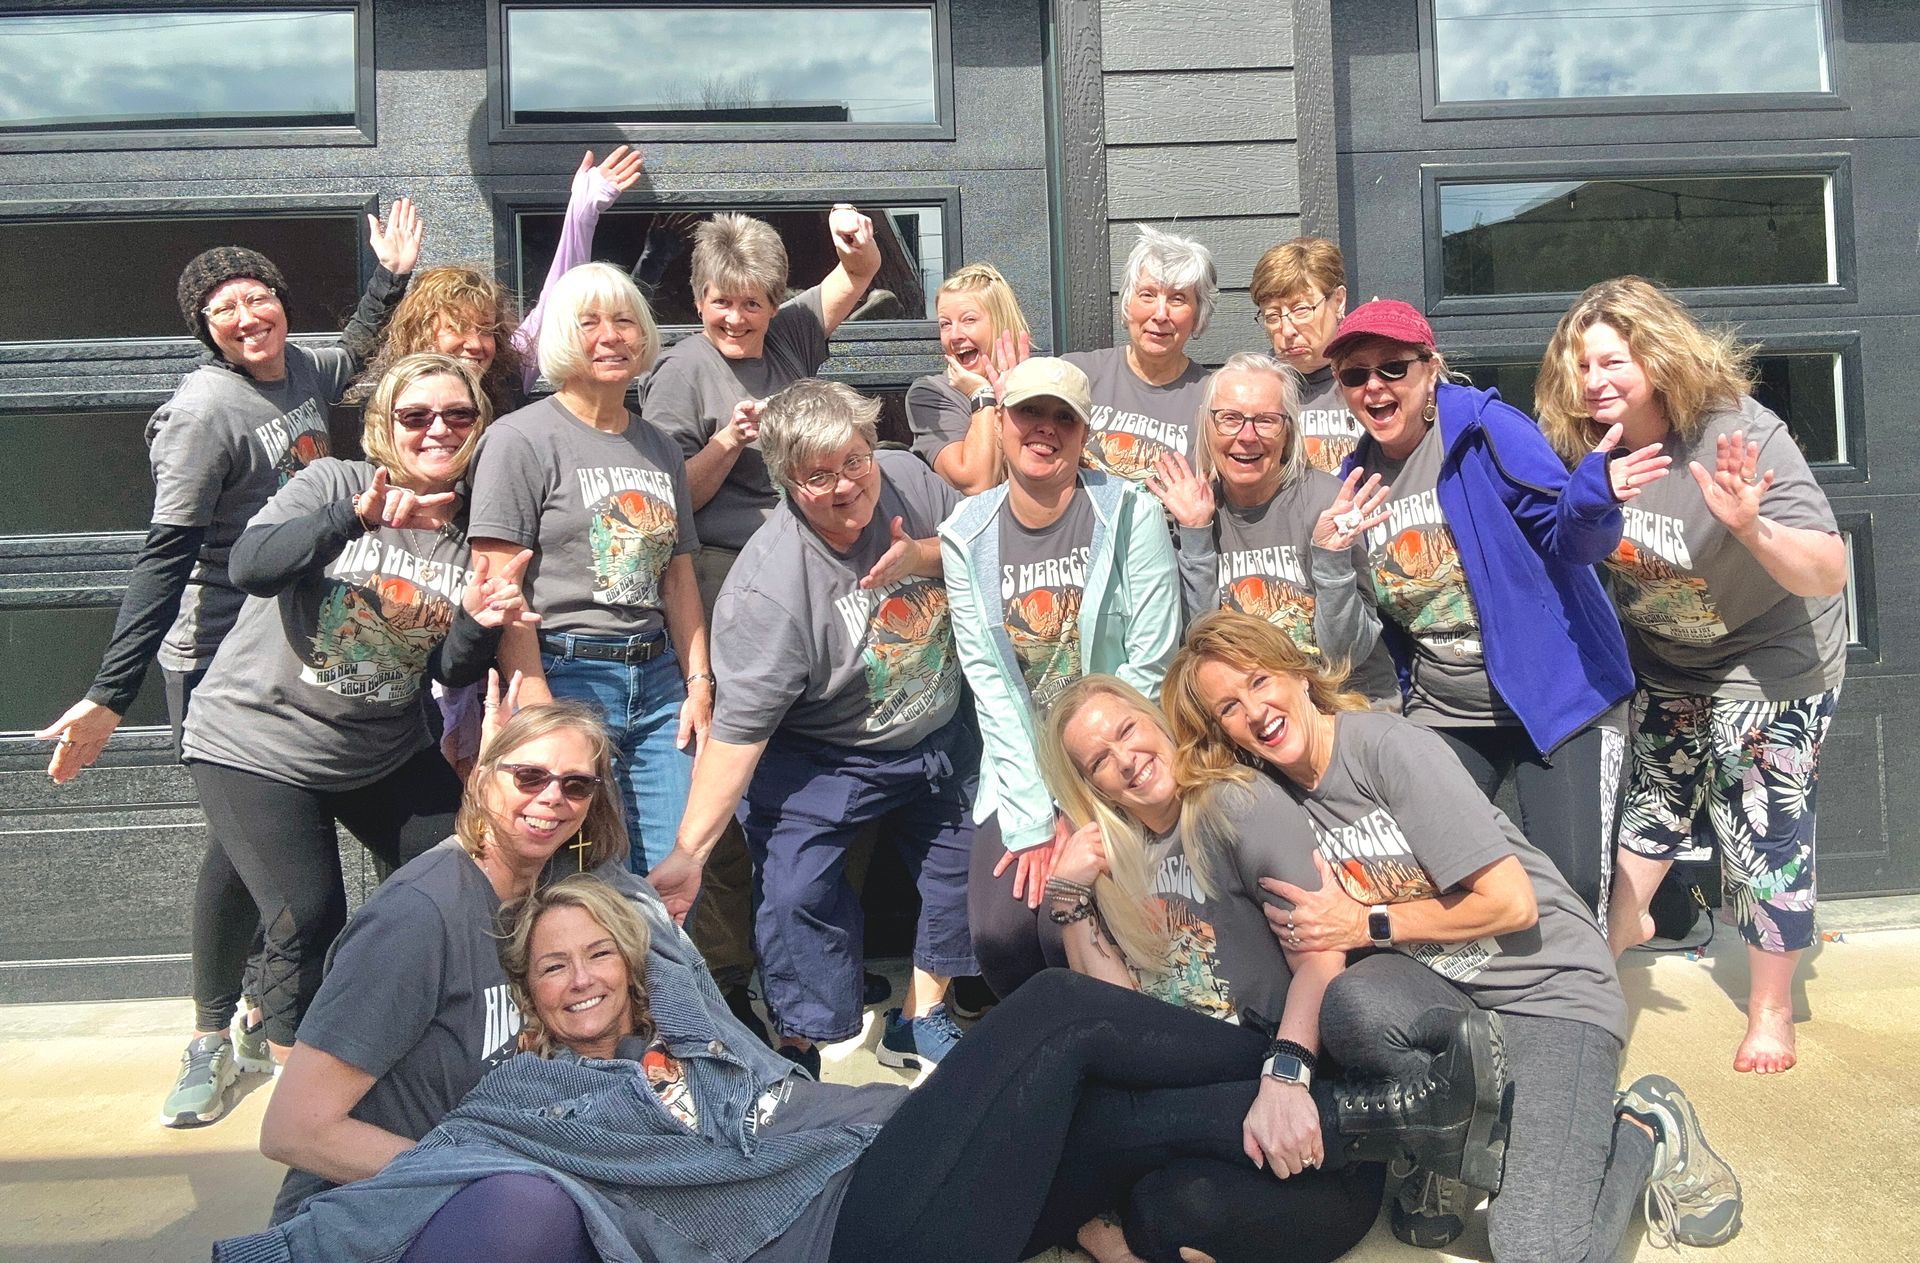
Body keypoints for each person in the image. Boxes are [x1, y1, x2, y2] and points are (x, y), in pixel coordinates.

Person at [228, 874, 1508, 1263]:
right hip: (848, 1236)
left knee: (1110, 1119)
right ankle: (1311, 1081)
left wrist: (633, 920)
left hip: (886, 1176)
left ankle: (1382, 1122)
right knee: (1061, 1015)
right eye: (551, 968)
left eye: (596, 956)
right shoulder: (525, 1098)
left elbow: (661, 942)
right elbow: (422, 1179)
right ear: (529, 992)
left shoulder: (701, 1043)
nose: (578, 980)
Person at [1165, 609, 1747, 1257]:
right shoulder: (1276, 801)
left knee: (1534, 1248)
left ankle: (1645, 1128)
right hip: (1454, 1001)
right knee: (1353, 1007)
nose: (1255, 710)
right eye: (1229, 706)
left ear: (1298, 674)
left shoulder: (1386, 748)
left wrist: (1366, 922)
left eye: (1259, 680)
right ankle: (1455, 1145)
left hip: (1552, 991)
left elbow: (1512, 903)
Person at [33, 208, 422, 1128]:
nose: (248, 317)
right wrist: (109, 693)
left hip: (291, 640)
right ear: (204, 329)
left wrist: (391, 277)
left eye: (258, 297)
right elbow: (165, 553)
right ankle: (212, 1037)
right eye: (224, 309)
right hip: (215, 657)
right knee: (241, 855)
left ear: (280, 303)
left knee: (251, 854)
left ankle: (252, 1018)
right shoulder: (203, 413)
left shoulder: (297, 370)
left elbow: (355, 347)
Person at [1036, 672, 1522, 1263]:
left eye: (1127, 730)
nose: (1125, 759)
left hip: (1290, 1100)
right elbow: (1118, 1019)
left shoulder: (1235, 805)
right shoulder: (1116, 859)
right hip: (1201, 1109)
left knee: (1145, 1195)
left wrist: (1285, 1078)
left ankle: (1387, 1121)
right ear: (1091, 786)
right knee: (1142, 1190)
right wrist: (1070, 897)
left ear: (1155, 719)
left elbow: (1320, 955)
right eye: (1099, 761)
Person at [172, 352, 529, 1124]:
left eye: (458, 415)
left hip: (379, 750)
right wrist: (356, 518)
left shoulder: (472, 531)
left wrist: (478, 621)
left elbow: (448, 665)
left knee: (472, 871)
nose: (438, 429)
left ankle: (435, 1041)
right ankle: (284, 1092)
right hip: (257, 740)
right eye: (416, 415)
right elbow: (253, 565)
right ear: (385, 424)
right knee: (306, 912)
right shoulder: (334, 483)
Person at [1534, 276, 1849, 1075]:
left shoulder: (1736, 433)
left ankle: (1772, 1006)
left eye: (1613, 360)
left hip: (1772, 654)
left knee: (1761, 824)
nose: (1594, 380)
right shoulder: (1579, 443)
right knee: (1652, 802)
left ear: (1657, 353)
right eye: (1582, 365)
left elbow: (1827, 569)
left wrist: (1752, 526)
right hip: (1669, 656)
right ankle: (1613, 938)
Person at [646, 379, 978, 1076]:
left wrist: (923, 557)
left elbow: (986, 550)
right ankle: (809, 1040)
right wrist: (689, 852)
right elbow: (737, 737)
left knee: (968, 865)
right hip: (822, 755)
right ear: (785, 482)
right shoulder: (766, 590)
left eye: (854, 461)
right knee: (796, 893)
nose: (846, 485)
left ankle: (920, 1017)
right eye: (818, 475)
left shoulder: (912, 479)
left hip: (936, 736)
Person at [1327, 298, 1672, 914]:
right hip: (1446, 709)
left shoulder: (1485, 431)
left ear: (1430, 368)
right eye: (1355, 375)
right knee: (1428, 871)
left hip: (1560, 698)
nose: (1374, 386)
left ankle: (1604, 950)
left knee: (1571, 885)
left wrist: (1592, 499)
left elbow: (1570, 541)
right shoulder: (1356, 481)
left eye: (1393, 368)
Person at [252, 700, 640, 1224]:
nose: (553, 797)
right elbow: (294, 1130)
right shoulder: (415, 919)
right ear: (480, 780)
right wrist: (493, 1178)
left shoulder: (549, 891)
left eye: (576, 785)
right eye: (529, 776)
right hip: (368, 1217)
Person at [639, 205, 881, 1015]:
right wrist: (725, 444)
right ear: (698, 299)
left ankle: (815, 965)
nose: (737, 318)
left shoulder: (790, 338)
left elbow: (854, 279)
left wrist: (857, 245)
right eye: (722, 301)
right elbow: (670, 503)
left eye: (753, 302)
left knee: (830, 763)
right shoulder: (682, 372)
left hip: (818, 568)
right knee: (730, 777)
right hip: (726, 578)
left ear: (775, 302)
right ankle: (727, 977)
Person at [360, 148, 647, 776]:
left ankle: (515, 826)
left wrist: (584, 210)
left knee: (486, 735)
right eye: (458, 328)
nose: (477, 343)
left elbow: (556, 307)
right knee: (441, 735)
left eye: (487, 329)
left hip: (491, 588)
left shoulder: (504, 378)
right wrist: (389, 278)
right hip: (415, 588)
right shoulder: (395, 398)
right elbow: (345, 356)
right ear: (421, 333)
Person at [939, 356, 1181, 998]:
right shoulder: (965, 535)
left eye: (1063, 418)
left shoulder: (1130, 513)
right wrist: (1034, 819)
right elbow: (991, 685)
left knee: (1062, 922)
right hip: (1019, 768)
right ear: (1002, 423)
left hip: (1115, 761)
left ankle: (1104, 1038)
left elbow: (1151, 663)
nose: (1044, 429)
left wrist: (1079, 800)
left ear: (1083, 433)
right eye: (1029, 413)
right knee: (1001, 932)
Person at [468, 263, 711, 871]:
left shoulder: (660, 447)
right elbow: (500, 584)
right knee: (580, 874)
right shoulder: (519, 440)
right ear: (560, 336)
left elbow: (678, 575)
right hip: (566, 672)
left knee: (673, 866)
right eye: (590, 322)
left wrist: (699, 681)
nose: (611, 336)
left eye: (625, 320)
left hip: (658, 684)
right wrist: (537, 701)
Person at [1146, 351, 1398, 703]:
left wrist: (1330, 559)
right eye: (1230, 418)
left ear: (1287, 432)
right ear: (1207, 426)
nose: (1247, 436)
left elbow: (1346, 656)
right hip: (1251, 715)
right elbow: (1199, 646)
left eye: (1266, 420)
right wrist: (1196, 534)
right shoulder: (1195, 511)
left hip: (1343, 708)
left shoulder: (1327, 504)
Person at [1062, 225, 1214, 485]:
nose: (1160, 314)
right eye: (1147, 295)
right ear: (1127, 303)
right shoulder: (1076, 374)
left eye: (1177, 299)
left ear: (1198, 314)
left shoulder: (1212, 397)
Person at [906, 262, 1033, 494]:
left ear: (1001, 323)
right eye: (945, 324)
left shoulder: (1040, 384)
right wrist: (982, 394)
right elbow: (975, 483)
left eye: (969, 320)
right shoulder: (932, 394)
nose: (954, 335)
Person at [1249, 236, 1358, 473]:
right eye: (1272, 316)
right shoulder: (1254, 389)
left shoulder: (1374, 379)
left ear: (1338, 301)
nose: (1287, 330)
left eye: (1301, 310)